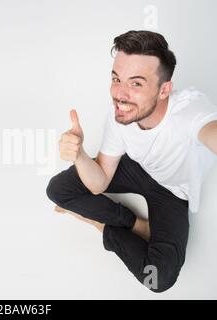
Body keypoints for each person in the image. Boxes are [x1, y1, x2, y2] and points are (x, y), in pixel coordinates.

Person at [46, 30, 217, 293]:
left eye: (136, 83)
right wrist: (79, 154)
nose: (120, 95)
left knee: (157, 278)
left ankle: (103, 225)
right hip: (138, 167)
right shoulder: (120, 114)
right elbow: (99, 182)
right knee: (58, 190)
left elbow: (209, 130)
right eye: (116, 79)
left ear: (164, 90)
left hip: (172, 191)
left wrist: (102, 225)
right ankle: (136, 225)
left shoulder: (188, 110)